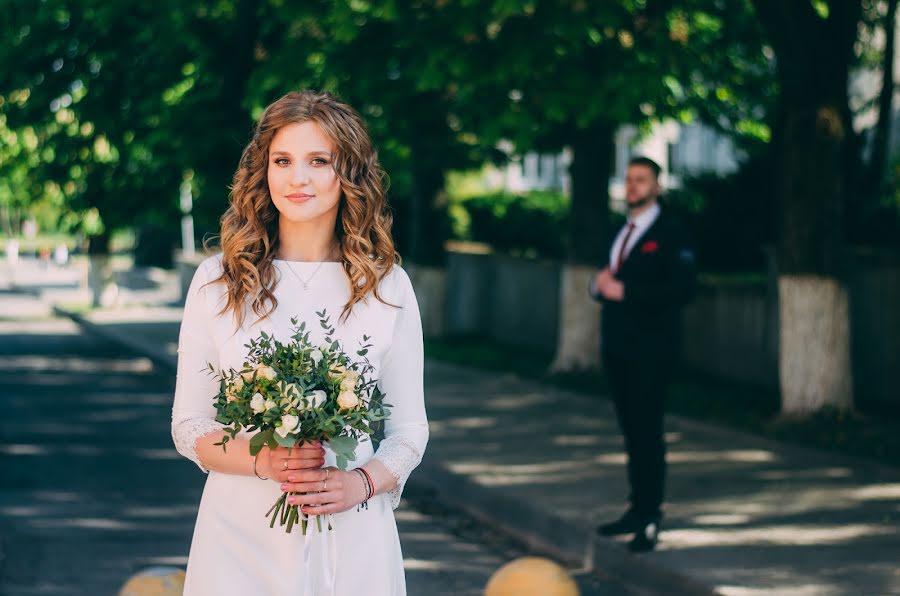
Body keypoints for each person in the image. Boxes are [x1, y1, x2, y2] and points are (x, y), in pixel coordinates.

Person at [171, 90, 428, 595]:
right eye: (282, 160)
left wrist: (361, 484)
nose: (297, 178)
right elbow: (189, 425)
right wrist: (262, 459)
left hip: (352, 532)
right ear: (263, 171)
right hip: (239, 535)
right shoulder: (218, 281)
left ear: (348, 173)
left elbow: (410, 432)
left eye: (319, 161)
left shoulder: (386, 286)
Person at [589, 156, 695, 552]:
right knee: (632, 432)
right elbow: (607, 278)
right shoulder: (623, 231)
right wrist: (598, 287)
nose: (633, 186)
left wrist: (626, 292)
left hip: (652, 351)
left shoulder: (672, 232)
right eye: (629, 179)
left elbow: (684, 290)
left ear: (657, 187)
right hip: (618, 349)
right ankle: (636, 510)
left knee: (648, 434)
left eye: (641, 180)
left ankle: (650, 517)